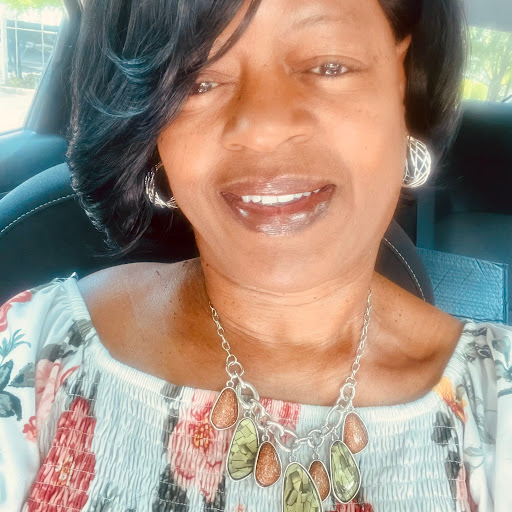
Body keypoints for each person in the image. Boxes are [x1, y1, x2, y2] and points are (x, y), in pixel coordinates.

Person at [0, 0, 510, 510]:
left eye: (328, 65)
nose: (263, 127)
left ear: (400, 79)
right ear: (155, 125)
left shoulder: (497, 400)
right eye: (198, 80)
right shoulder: (32, 353)